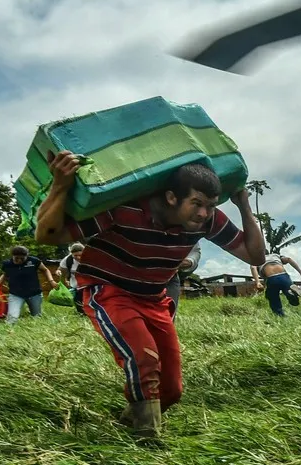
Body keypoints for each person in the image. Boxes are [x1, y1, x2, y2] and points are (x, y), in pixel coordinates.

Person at [35, 150, 266, 439]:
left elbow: (255, 256)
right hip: (108, 289)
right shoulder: (124, 210)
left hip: (154, 298)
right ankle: (148, 442)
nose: (204, 213)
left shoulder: (207, 221)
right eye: (196, 203)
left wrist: (243, 204)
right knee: (144, 360)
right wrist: (60, 185)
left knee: (171, 390)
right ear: (171, 197)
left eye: (210, 205)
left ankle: (129, 422)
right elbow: (47, 235)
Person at [0, 245, 56, 325]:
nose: (19, 260)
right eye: (16, 258)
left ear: (26, 256)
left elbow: (45, 270)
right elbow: (5, 274)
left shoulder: (34, 261)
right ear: (12, 256)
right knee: (12, 318)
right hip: (15, 294)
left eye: (22, 258)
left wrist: (51, 281)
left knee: (37, 316)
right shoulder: (7, 264)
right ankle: (10, 333)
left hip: (34, 293)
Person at [251, 251, 301, 317]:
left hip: (271, 278)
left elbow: (253, 268)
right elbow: (289, 259)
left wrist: (258, 282)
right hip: (285, 277)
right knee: (294, 302)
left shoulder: (257, 260)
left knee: (272, 297)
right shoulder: (275, 255)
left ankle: (280, 315)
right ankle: (291, 292)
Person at [165, 240, 201, 319]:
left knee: (167, 317)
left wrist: (189, 261)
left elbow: (194, 251)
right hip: (136, 276)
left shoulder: (187, 229)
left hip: (170, 278)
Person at [57, 242, 86, 315]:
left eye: (80, 255)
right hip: (75, 285)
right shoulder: (68, 260)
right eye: (75, 255)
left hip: (89, 284)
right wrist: (59, 273)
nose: (78, 257)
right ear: (71, 254)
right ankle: (82, 314)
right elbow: (61, 270)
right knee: (78, 301)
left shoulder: (90, 258)